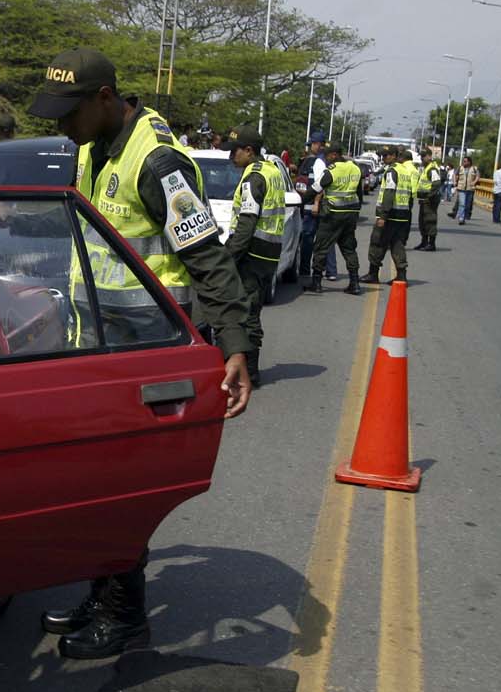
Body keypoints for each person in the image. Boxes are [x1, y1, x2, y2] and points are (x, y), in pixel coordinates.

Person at [27, 47, 252, 661]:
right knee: (92, 480)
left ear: (104, 100)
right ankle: (103, 596)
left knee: (117, 487)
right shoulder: (92, 147)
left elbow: (205, 255)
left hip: (146, 354)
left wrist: (235, 345)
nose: (60, 126)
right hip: (99, 345)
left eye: (67, 113)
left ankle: (123, 616)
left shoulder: (156, 163)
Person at [223, 124, 287, 387]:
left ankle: (249, 372)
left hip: (251, 254)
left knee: (246, 313)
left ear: (249, 151)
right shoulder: (272, 171)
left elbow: (246, 224)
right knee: (252, 310)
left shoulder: (254, 178)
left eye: (234, 152)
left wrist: (228, 257)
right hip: (268, 253)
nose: (230, 157)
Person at [307, 140, 364, 295]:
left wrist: (301, 201)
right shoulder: (355, 168)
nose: (326, 158)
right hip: (350, 215)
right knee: (349, 249)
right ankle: (355, 283)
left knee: (321, 247)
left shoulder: (332, 171)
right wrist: (356, 213)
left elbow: (315, 189)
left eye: (327, 155)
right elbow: (359, 194)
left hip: (332, 215)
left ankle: (316, 283)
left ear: (334, 155)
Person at [361, 147, 412, 284]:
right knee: (397, 245)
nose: (383, 158)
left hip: (390, 215)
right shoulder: (405, 171)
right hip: (402, 215)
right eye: (383, 156)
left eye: (386, 156)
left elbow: (389, 193)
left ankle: (373, 273)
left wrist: (383, 216)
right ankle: (401, 275)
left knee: (377, 242)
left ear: (394, 156)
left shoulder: (392, 171)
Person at [295, 132, 327, 279]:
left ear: (319, 145)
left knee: (310, 241)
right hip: (302, 208)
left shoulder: (319, 163)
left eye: (313, 144)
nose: (310, 147)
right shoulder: (308, 160)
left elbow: (321, 185)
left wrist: (316, 203)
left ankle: (308, 272)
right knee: (304, 240)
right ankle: (304, 270)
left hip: (311, 210)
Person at [414, 150, 444, 251]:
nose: (422, 158)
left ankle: (431, 244)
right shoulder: (425, 168)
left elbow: (436, 183)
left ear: (430, 156)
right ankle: (424, 242)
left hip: (430, 200)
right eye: (421, 156)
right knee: (422, 222)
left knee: (429, 221)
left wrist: (429, 196)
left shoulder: (432, 169)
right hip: (424, 200)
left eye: (424, 156)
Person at [451, 156, 479, 223]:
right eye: (463, 161)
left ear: (469, 162)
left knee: (468, 205)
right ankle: (461, 218)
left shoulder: (474, 169)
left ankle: (464, 215)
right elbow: (455, 174)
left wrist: (474, 182)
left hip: (470, 189)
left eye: (465, 161)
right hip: (461, 188)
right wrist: (454, 182)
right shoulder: (460, 168)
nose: (463, 162)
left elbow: (478, 176)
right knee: (462, 204)